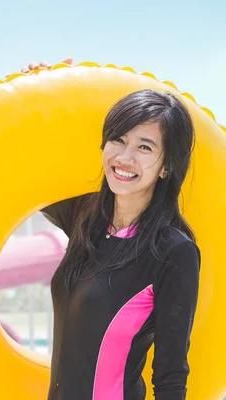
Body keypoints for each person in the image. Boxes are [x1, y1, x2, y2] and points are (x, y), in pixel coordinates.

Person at [19, 59, 201, 400]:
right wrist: (41, 94)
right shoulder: (84, 216)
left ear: (166, 167)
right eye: (118, 140)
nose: (124, 157)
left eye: (144, 147)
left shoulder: (173, 252)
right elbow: (28, 177)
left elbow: (171, 375)